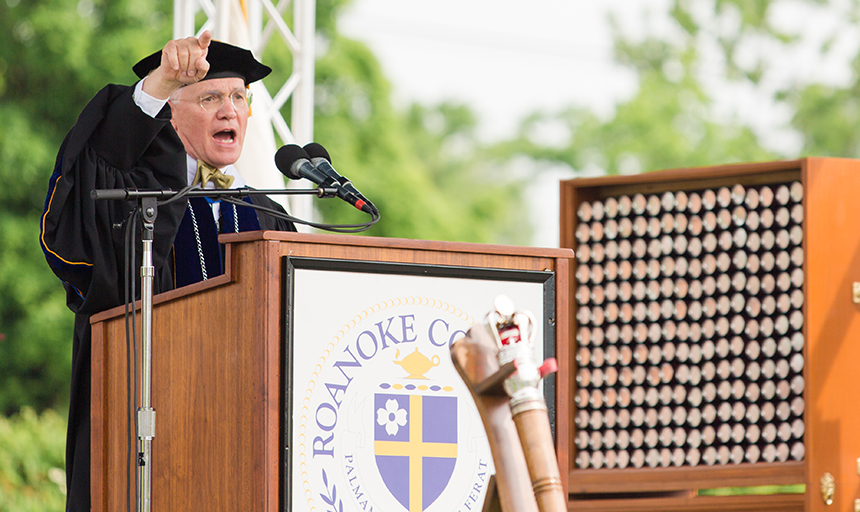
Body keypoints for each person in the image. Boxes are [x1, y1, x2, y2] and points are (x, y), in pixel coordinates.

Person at [39, 31, 295, 511]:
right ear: (170, 114)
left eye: (239, 97)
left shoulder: (270, 215)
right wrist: (159, 83)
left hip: (249, 439)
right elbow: (98, 161)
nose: (230, 110)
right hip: (147, 427)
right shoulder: (139, 201)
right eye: (211, 97)